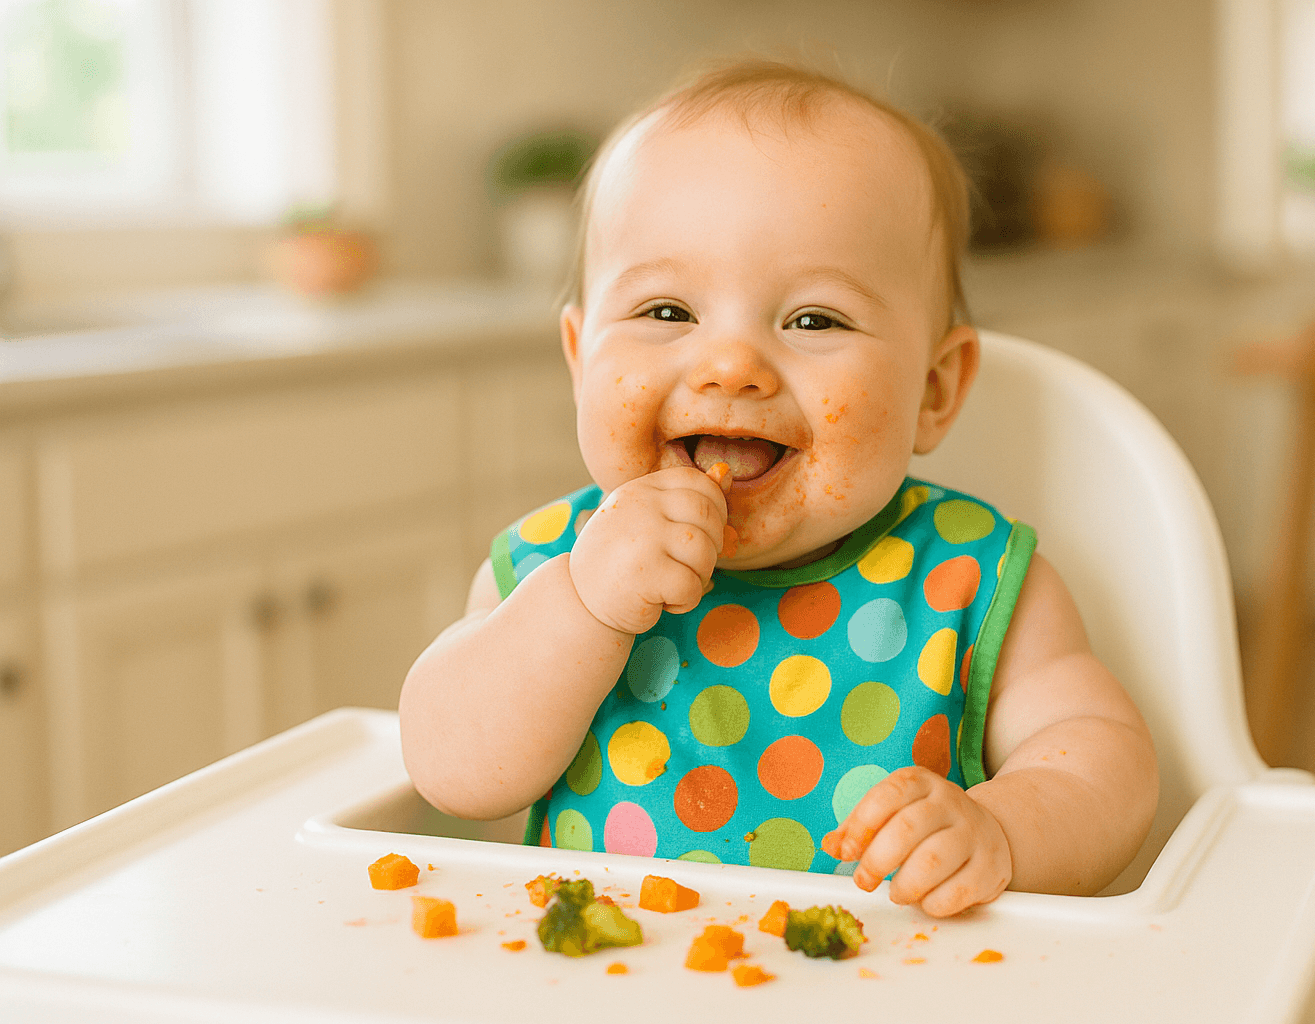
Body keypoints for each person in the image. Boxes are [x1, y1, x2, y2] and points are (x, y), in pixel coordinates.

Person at [398, 58, 1157, 917]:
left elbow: (1104, 761)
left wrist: (1001, 831)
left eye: (813, 319)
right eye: (667, 312)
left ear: (934, 391)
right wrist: (583, 603)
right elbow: (448, 770)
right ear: (581, 361)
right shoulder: (549, 570)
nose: (730, 365)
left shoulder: (971, 584)